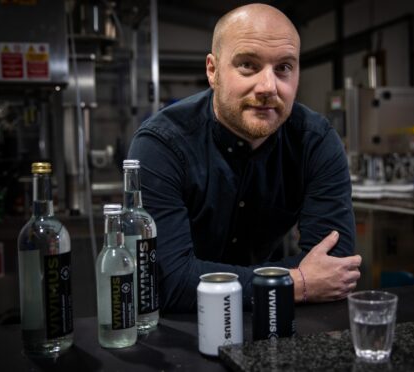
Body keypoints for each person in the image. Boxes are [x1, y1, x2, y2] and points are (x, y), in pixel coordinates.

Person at [128, 3, 362, 312]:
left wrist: (205, 278)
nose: (268, 87)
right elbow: (168, 280)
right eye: (248, 66)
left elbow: (335, 265)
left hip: (270, 318)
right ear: (213, 71)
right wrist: (298, 281)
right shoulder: (161, 145)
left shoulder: (315, 141)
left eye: (284, 68)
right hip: (177, 331)